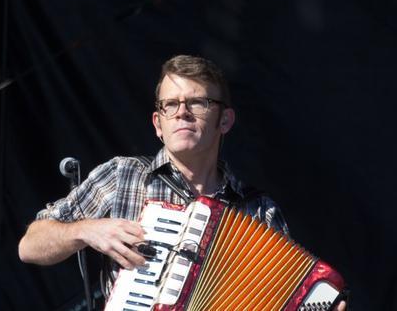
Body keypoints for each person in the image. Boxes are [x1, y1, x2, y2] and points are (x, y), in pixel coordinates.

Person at [18, 55, 346, 310]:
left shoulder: (258, 210)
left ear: (225, 120)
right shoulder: (122, 176)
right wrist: (85, 229)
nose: (182, 113)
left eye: (197, 102)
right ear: (158, 124)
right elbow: (30, 246)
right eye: (170, 104)